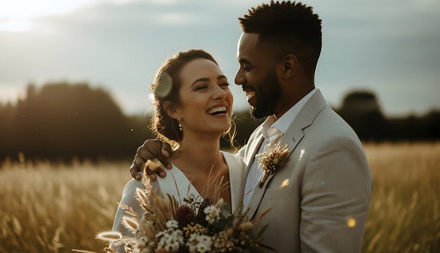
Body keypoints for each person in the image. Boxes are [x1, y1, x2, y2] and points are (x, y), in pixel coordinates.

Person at [130, 1, 373, 252]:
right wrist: (158, 151)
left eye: (247, 67)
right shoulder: (261, 137)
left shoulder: (333, 147)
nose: (237, 80)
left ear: (287, 67)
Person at [111, 49, 246, 252]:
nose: (220, 93)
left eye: (223, 84)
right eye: (202, 87)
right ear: (173, 110)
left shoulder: (247, 170)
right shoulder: (148, 189)